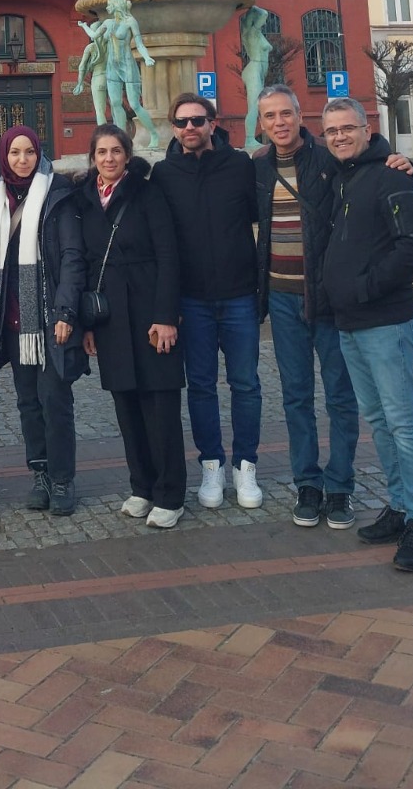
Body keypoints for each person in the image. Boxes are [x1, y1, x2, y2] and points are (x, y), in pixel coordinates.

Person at [255, 85, 413, 530]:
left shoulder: (328, 160)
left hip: (327, 297)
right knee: (296, 396)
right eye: (270, 117)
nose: (279, 123)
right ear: (261, 123)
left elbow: (374, 166)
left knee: (341, 397)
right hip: (282, 297)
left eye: (286, 114)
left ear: (298, 116)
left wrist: (405, 162)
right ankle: (308, 483)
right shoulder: (257, 167)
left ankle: (340, 485)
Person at [321, 97, 413, 573]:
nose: (340, 136)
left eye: (348, 128)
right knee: (380, 421)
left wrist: (365, 288)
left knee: (404, 422)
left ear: (367, 130)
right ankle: (400, 506)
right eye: (332, 131)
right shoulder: (340, 178)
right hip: (350, 324)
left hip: (386, 320)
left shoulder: (392, 177)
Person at [152, 93, 262, 511]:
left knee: (246, 384)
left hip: (238, 295)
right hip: (192, 299)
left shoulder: (240, 165)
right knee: (200, 387)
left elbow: (262, 213)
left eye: (198, 120)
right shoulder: (163, 174)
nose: (190, 128)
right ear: (173, 128)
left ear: (212, 123)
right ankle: (212, 464)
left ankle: (246, 465)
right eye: (181, 122)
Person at [78, 125, 185, 526]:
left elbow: (168, 254)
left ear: (127, 155)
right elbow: (88, 264)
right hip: (110, 317)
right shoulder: (86, 198)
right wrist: (88, 323)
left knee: (160, 405)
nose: (109, 158)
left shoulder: (147, 192)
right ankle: (141, 486)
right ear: (93, 157)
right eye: (102, 152)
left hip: (149, 310)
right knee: (126, 405)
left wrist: (165, 315)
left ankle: (170, 494)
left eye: (116, 151)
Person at [0, 127, 88, 517]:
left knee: (55, 400)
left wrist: (65, 312)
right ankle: (40, 475)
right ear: (4, 156)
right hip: (13, 321)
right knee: (28, 402)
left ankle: (63, 478)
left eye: (29, 152)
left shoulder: (56, 194)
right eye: (15, 152)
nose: (22, 160)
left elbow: (72, 258)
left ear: (39, 154)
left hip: (48, 319)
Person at [97, 0, 159, 146]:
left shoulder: (131, 21)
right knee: (115, 103)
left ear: (117, 5)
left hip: (128, 66)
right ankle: (121, 139)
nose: (107, 7)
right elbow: (96, 37)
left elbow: (139, 44)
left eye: (109, 4)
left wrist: (146, 57)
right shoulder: (108, 22)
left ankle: (154, 135)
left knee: (134, 104)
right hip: (112, 67)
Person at [240, 6, 271, 150]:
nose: (263, 22)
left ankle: (250, 139)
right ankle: (249, 140)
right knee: (253, 106)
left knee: (256, 106)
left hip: (259, 70)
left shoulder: (257, 34)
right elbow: (264, 13)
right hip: (254, 68)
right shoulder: (251, 33)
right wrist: (252, 5)